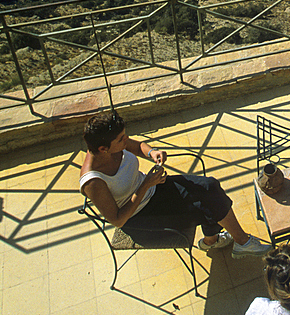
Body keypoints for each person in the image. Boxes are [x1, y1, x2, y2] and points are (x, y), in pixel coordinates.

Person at [79, 109, 270, 258]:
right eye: (121, 139)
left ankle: (216, 241)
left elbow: (137, 147)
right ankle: (239, 242)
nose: (126, 140)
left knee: (209, 186)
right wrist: (145, 184)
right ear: (103, 149)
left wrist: (151, 152)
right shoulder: (93, 181)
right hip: (140, 217)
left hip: (153, 189)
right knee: (208, 205)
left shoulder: (114, 144)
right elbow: (118, 220)